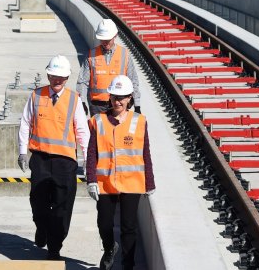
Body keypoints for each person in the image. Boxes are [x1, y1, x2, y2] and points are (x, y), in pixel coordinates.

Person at [17, 55, 90, 260]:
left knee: (62, 206)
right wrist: (23, 151)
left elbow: (82, 131)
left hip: (65, 162)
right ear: (48, 75)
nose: (57, 80)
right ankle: (42, 227)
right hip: (40, 159)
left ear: (67, 78)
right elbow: (25, 123)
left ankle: (55, 247)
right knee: (38, 202)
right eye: (54, 76)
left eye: (62, 77)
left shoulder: (74, 99)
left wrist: (87, 160)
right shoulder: (36, 95)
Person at [85, 75, 155, 270]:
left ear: (130, 98)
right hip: (105, 182)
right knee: (104, 224)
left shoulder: (139, 121)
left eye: (122, 97)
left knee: (128, 228)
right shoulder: (97, 121)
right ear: (110, 97)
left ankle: (128, 265)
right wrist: (91, 179)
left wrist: (149, 182)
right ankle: (109, 249)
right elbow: (92, 153)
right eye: (115, 96)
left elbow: (145, 153)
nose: (118, 101)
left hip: (132, 182)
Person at [77, 18, 141, 116]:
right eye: (102, 39)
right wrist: (82, 102)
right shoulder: (91, 55)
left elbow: (133, 80)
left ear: (115, 36)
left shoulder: (124, 54)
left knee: (118, 131)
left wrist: (137, 105)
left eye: (107, 39)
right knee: (99, 131)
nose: (105, 42)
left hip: (119, 103)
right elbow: (82, 81)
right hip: (97, 105)